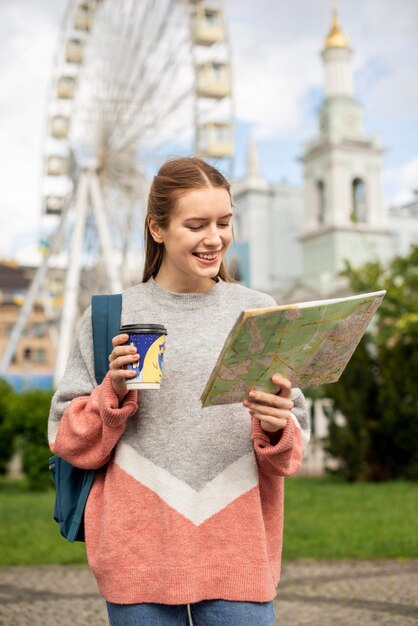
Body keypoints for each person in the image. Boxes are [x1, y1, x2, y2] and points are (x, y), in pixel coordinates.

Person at [48, 156, 310, 626]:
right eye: (197, 224)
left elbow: (292, 448)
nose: (215, 238)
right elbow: (68, 440)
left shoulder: (260, 312)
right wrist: (114, 392)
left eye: (224, 222)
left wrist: (277, 425)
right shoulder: (112, 315)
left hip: (239, 549)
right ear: (157, 228)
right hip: (137, 554)